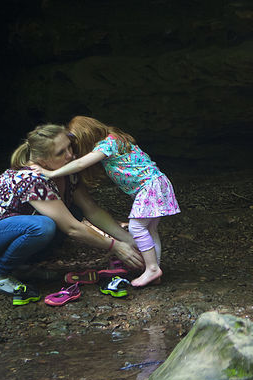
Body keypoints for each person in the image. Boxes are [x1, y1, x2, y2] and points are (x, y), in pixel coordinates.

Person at [0, 124, 142, 303]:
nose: (70, 154)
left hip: (8, 232)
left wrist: (127, 239)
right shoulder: (32, 179)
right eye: (60, 152)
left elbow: (91, 209)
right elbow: (72, 228)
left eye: (69, 147)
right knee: (43, 226)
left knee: (73, 212)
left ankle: (20, 266)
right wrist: (116, 247)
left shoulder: (67, 173)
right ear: (43, 160)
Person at [36, 116, 178, 288]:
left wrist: (51, 174)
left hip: (149, 187)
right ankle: (153, 269)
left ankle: (152, 268)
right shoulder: (116, 137)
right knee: (149, 229)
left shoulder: (107, 144)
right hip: (156, 183)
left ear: (86, 135)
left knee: (137, 227)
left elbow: (81, 163)